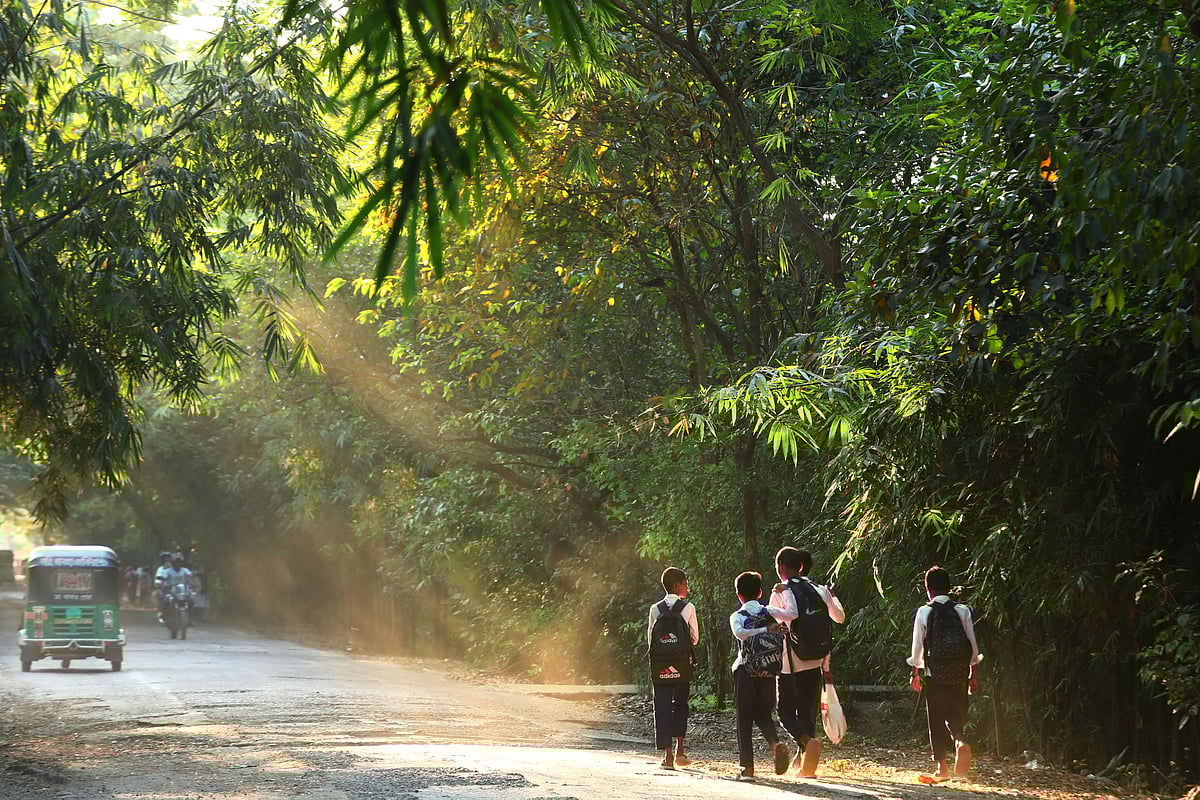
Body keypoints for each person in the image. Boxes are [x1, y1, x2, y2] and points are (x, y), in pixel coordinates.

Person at [769, 547, 846, 776]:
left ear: (781, 566)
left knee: (784, 712)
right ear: (801, 566)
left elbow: (781, 621)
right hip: (816, 660)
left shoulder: (781, 592)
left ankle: (806, 741)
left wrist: (766, 608)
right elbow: (839, 617)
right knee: (806, 712)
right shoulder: (819, 590)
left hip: (790, 662)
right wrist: (832, 595)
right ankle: (806, 765)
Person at [908, 565, 982, 784]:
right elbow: (973, 645)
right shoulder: (963, 610)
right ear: (949, 588)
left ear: (928, 589)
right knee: (954, 713)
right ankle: (960, 741)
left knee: (936, 718)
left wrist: (915, 673)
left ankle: (941, 767)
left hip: (935, 673)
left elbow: (917, 647)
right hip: (959, 671)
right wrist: (973, 674)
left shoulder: (925, 611)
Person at [730, 571, 790, 782]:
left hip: (745, 671)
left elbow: (740, 634)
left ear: (739, 595)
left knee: (744, 720)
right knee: (764, 714)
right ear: (760, 592)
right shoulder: (770, 612)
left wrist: (762, 629)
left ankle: (747, 769)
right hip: (769, 671)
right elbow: (791, 612)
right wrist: (787, 590)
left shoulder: (738, 616)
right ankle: (775, 744)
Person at [646, 567, 699, 770]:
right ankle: (680, 751)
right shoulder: (688, 608)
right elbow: (694, 638)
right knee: (680, 704)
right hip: (681, 664)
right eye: (685, 583)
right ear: (677, 585)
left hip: (660, 665)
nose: (687, 586)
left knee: (662, 706)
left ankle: (667, 756)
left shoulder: (655, 609)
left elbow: (651, 639)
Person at [158, 553, 194, 622]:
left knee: (191, 600)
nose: (177, 563)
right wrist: (164, 584)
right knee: (165, 600)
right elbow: (163, 580)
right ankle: (164, 615)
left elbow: (189, 577)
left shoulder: (185, 570)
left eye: (179, 562)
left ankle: (190, 618)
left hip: (183, 590)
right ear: (172, 562)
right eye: (176, 562)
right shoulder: (168, 571)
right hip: (170, 590)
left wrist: (191, 583)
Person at [153, 553, 172, 621]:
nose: (167, 560)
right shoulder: (160, 569)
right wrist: (159, 585)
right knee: (160, 596)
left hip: (175, 587)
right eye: (165, 558)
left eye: (168, 558)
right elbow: (157, 580)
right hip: (164, 588)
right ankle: (161, 611)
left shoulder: (174, 569)